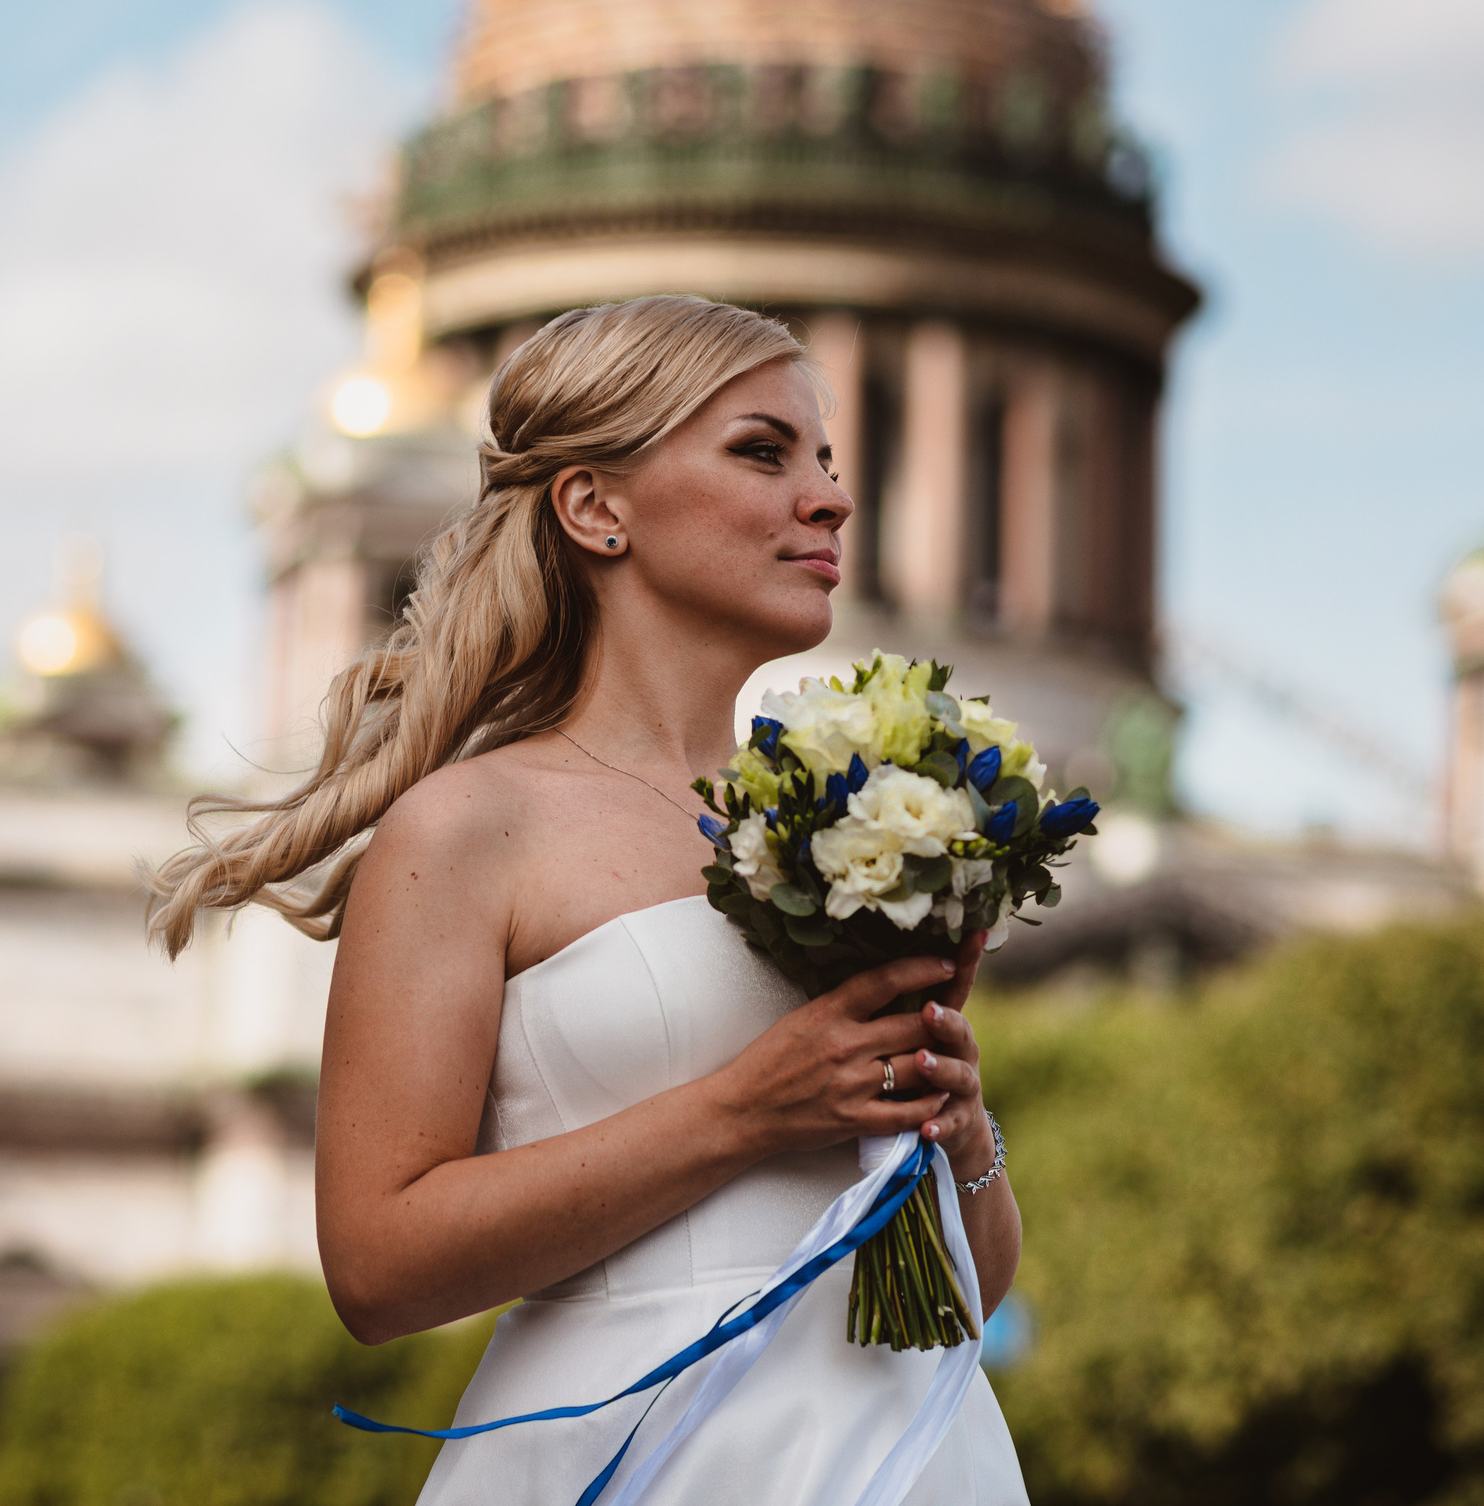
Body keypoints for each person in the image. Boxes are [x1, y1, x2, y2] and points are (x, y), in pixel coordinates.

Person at [149, 296, 1027, 1504]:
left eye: (825, 459)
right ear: (594, 505)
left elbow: (972, 1278)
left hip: (913, 1446)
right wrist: (744, 1107)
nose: (827, 498)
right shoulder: (468, 826)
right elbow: (374, 1264)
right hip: (648, 1448)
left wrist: (958, 1125)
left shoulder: (848, 825)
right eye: (762, 452)